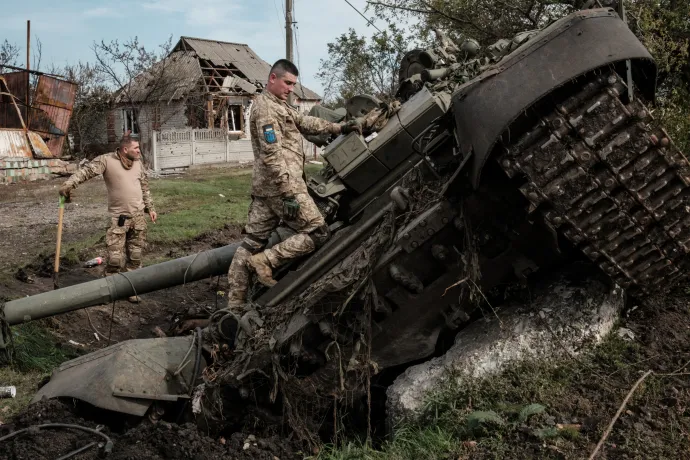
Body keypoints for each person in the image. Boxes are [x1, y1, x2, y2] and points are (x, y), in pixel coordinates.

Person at [226, 59, 362, 308]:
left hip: (266, 189)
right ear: (273, 79)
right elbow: (272, 156)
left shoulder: (279, 105)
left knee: (250, 243)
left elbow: (305, 122)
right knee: (318, 232)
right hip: (282, 185)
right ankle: (266, 261)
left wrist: (339, 127)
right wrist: (288, 192)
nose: (291, 88)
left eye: (293, 84)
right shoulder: (265, 109)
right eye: (287, 83)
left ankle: (234, 304)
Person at [59, 136, 157, 303]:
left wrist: (150, 208)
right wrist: (69, 184)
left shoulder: (138, 163)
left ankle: (131, 289)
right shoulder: (107, 160)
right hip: (118, 219)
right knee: (115, 260)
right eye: (136, 148)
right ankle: (111, 290)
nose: (139, 151)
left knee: (135, 257)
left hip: (138, 217)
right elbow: (86, 172)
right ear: (125, 149)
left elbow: (144, 187)